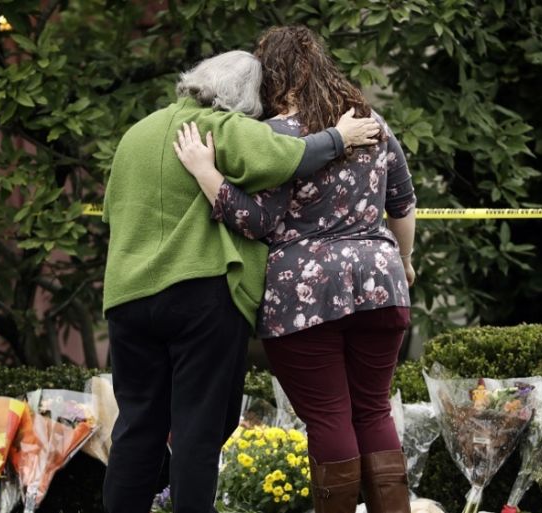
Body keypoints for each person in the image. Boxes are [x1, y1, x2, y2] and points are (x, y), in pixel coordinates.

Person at [101, 49, 380, 513]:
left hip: (128, 298)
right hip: (199, 294)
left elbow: (112, 213)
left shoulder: (135, 135)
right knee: (198, 425)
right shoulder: (222, 126)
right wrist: (339, 137)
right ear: (245, 98)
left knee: (137, 424)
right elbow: (286, 156)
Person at [173, 27, 417, 513]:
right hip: (381, 282)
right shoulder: (371, 123)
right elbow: (403, 203)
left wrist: (206, 173)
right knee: (373, 410)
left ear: (272, 77)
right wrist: (406, 263)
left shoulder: (276, 136)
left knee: (329, 416)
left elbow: (256, 220)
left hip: (304, 294)